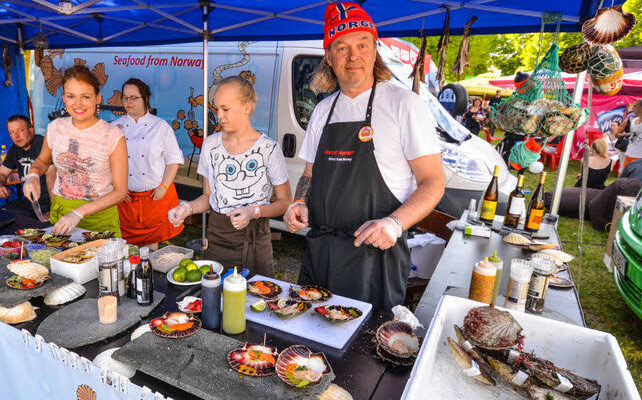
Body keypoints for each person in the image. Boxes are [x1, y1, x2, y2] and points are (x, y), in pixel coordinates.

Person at [283, 3, 445, 311]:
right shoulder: (322, 111)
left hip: (375, 261)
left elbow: (433, 181)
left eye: (362, 44)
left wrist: (395, 224)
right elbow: (309, 175)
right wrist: (299, 203)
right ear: (329, 58)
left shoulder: (404, 105)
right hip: (322, 255)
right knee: (309, 342)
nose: (353, 56)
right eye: (341, 48)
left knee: (366, 353)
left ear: (375, 50)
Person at [167, 76, 291, 277]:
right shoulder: (210, 145)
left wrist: (254, 212)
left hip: (255, 239)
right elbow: (208, 197)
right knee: (216, 297)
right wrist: (186, 208)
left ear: (247, 107)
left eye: (225, 109)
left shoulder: (269, 148)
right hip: (218, 237)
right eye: (217, 109)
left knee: (256, 298)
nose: (219, 116)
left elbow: (285, 202)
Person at [23, 65, 128, 236]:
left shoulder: (113, 135)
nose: (77, 104)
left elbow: (120, 192)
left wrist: (78, 213)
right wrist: (33, 175)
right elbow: (43, 161)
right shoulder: (55, 127)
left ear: (98, 98)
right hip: (62, 215)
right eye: (71, 96)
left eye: (85, 97)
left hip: (99, 220)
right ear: (64, 98)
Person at [112, 78, 184, 250]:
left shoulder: (161, 127)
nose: (128, 102)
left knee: (153, 246)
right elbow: (107, 163)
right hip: (127, 198)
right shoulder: (115, 127)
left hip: (155, 195)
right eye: (125, 98)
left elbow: (173, 160)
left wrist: (163, 187)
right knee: (126, 247)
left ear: (145, 99)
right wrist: (117, 188)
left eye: (133, 97)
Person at [0, 115, 55, 219]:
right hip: (30, 202)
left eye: (20, 130)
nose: (16, 136)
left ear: (31, 130)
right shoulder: (15, 149)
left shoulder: (41, 144)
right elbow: (1, 173)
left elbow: (52, 174)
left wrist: (54, 210)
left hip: (48, 202)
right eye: (11, 132)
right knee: (3, 214)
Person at [618, 99, 642, 170]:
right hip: (629, 152)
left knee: (636, 176)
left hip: (641, 155)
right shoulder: (634, 120)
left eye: (635, 106)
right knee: (625, 175)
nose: (632, 108)